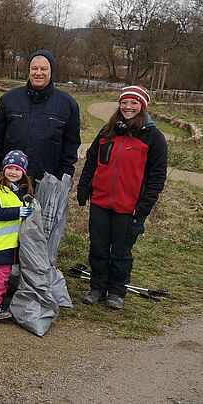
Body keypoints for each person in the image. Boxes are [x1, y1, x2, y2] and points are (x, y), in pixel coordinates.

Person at [77, 85, 167, 310]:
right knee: (97, 247)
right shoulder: (107, 131)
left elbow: (157, 176)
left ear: (142, 106)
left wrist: (144, 205)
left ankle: (116, 290)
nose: (128, 107)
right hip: (101, 201)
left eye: (134, 103)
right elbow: (91, 161)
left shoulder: (153, 137)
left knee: (120, 251)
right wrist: (83, 187)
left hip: (130, 207)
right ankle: (97, 287)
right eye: (124, 102)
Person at [0, 50, 80, 182]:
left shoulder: (67, 104)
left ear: (51, 71)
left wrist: (63, 176)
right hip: (11, 179)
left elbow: (71, 146)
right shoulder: (9, 99)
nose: (38, 73)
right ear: (29, 70)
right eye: (34, 68)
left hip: (49, 181)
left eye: (43, 69)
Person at [0, 150, 33, 320]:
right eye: (10, 168)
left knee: (4, 273)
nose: (13, 172)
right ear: (4, 169)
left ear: (23, 172)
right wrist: (18, 212)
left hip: (11, 243)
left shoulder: (19, 191)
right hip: (0, 242)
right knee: (2, 274)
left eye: (17, 169)